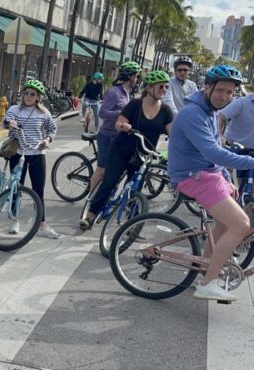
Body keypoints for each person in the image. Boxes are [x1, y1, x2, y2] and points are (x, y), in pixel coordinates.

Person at [167, 65, 254, 302]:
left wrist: (225, 177)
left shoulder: (211, 112)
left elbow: (215, 151)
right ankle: (208, 284)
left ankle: (205, 269)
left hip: (207, 174)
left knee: (225, 225)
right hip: (191, 176)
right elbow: (213, 153)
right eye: (220, 90)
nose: (224, 97)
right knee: (241, 224)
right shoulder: (192, 114)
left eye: (230, 92)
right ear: (207, 88)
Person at [80, 70, 173, 230]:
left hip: (143, 155)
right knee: (109, 182)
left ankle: (131, 226)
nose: (163, 90)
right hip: (121, 151)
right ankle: (90, 215)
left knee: (135, 189)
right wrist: (124, 126)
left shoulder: (165, 110)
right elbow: (118, 123)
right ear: (149, 87)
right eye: (160, 86)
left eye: (166, 87)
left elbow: (172, 133)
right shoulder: (135, 104)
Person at [3, 79, 59, 239]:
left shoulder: (44, 113)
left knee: (38, 190)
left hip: (37, 154)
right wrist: (9, 123)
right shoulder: (14, 109)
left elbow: (53, 128)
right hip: (17, 153)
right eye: (26, 93)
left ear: (38, 97)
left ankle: (41, 225)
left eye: (32, 94)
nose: (28, 96)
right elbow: (6, 122)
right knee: (16, 187)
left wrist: (47, 140)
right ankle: (14, 220)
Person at [88, 61, 142, 195]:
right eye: (136, 76)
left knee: (114, 170)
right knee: (102, 169)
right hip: (107, 136)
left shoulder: (127, 92)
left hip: (118, 137)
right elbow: (102, 113)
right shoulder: (115, 92)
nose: (137, 79)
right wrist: (121, 113)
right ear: (130, 76)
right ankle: (91, 198)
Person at [218, 88, 254, 193]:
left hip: (252, 151)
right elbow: (220, 116)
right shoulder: (242, 102)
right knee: (230, 187)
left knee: (250, 192)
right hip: (235, 148)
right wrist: (219, 135)